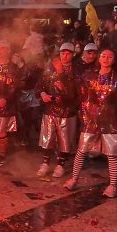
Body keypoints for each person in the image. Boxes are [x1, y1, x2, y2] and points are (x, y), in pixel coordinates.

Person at [65, 49, 117, 198]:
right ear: (99, 58)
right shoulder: (88, 76)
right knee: (81, 151)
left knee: (112, 155)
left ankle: (112, 185)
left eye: (110, 56)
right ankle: (73, 179)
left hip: (111, 122)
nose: (106, 58)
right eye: (103, 55)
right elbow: (77, 92)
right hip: (91, 120)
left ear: (114, 60)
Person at [36, 43, 78, 180]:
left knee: (65, 140)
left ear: (72, 55)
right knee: (48, 138)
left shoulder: (76, 71)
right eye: (62, 53)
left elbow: (73, 92)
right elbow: (39, 86)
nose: (65, 56)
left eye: (68, 53)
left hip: (67, 111)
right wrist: (42, 94)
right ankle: (45, 163)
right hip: (50, 109)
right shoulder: (50, 69)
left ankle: (61, 164)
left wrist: (61, 74)